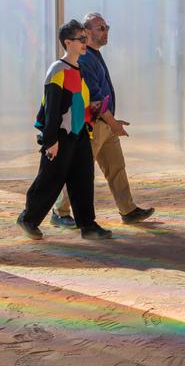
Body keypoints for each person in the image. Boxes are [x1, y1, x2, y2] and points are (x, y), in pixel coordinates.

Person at [50, 13, 155, 228]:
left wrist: (112, 122)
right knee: (79, 169)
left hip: (105, 124)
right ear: (86, 32)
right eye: (100, 28)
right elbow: (95, 96)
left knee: (116, 167)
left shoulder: (93, 55)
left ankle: (128, 210)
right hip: (93, 126)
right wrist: (113, 123)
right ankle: (59, 212)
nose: (105, 31)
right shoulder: (86, 59)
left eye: (107, 27)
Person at [16, 20, 113, 241]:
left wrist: (92, 111)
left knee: (83, 180)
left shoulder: (77, 69)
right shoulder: (58, 70)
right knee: (50, 179)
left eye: (85, 39)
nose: (85, 42)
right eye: (81, 39)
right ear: (68, 43)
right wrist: (51, 141)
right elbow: (51, 110)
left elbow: (77, 103)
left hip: (78, 135)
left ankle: (88, 225)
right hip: (60, 136)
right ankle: (28, 219)